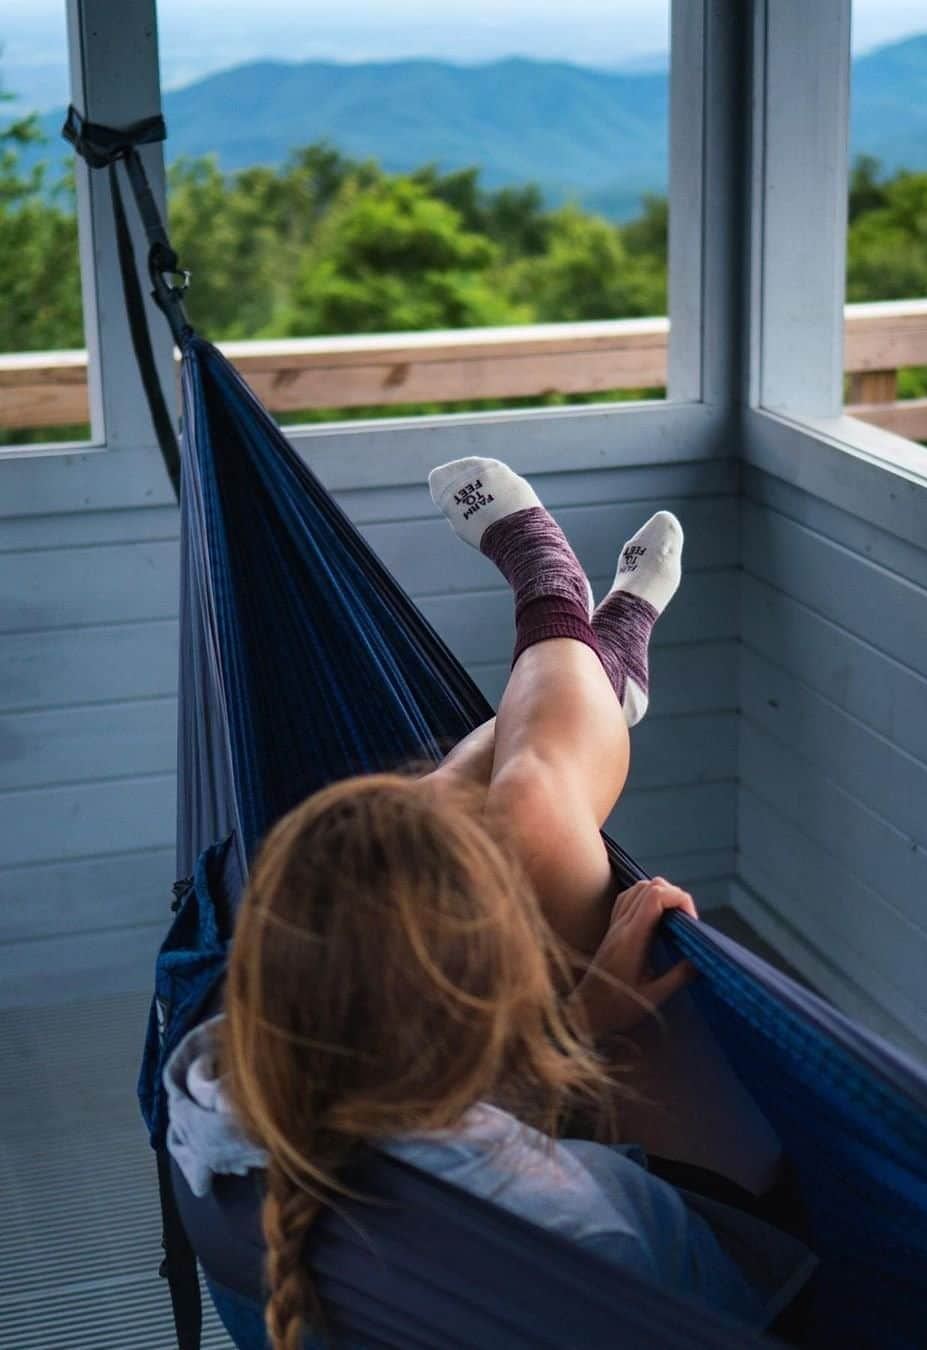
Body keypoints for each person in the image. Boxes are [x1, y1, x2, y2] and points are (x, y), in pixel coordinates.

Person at [164, 458, 817, 1349]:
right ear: (511, 999)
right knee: (525, 811)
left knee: (425, 831)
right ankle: (573, 626)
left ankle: (584, 640)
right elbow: (734, 1313)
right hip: (706, 1222)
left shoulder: (223, 1092)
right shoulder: (589, 1241)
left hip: (486, 1120)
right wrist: (576, 1029)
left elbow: (419, 1121)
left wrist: (573, 1015)